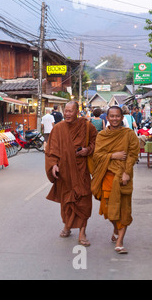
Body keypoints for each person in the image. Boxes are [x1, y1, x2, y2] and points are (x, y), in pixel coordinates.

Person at [45, 101, 97, 246]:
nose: (67, 114)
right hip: (65, 172)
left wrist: (88, 150)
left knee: (84, 199)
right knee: (67, 202)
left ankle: (82, 232)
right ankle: (67, 226)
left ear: (76, 112)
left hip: (82, 170)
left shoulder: (87, 127)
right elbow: (52, 149)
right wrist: (53, 164)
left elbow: (95, 142)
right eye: (65, 111)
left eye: (70, 111)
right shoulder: (58, 128)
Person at [91, 106, 139, 254]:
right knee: (108, 208)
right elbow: (97, 156)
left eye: (117, 116)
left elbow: (133, 154)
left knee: (123, 208)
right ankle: (115, 228)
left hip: (123, 177)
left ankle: (120, 242)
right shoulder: (102, 136)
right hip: (107, 176)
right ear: (108, 117)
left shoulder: (129, 134)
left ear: (121, 117)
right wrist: (113, 156)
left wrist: (126, 172)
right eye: (111, 116)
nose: (114, 119)